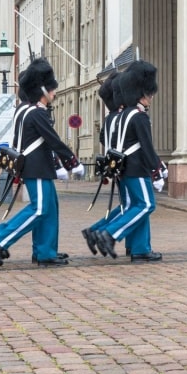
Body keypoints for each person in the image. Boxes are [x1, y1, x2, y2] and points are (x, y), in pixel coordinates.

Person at [0, 58, 84, 267]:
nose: (54, 93)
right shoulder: (36, 113)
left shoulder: (25, 110)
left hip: (38, 167)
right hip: (37, 168)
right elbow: (54, 141)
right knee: (40, 208)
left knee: (50, 208)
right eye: (51, 89)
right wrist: (71, 162)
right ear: (43, 89)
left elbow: (40, 142)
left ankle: (45, 252)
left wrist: (58, 166)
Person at [94, 60, 165, 262]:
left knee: (135, 206)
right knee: (145, 206)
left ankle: (140, 248)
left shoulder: (123, 114)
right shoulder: (138, 116)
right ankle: (110, 234)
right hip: (137, 168)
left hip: (125, 168)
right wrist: (156, 170)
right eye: (149, 93)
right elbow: (147, 146)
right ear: (142, 92)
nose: (151, 97)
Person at [81, 73, 128, 256]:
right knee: (132, 206)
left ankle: (94, 231)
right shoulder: (121, 116)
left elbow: (103, 138)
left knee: (126, 206)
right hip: (124, 165)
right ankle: (101, 232)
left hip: (115, 164)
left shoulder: (110, 118)